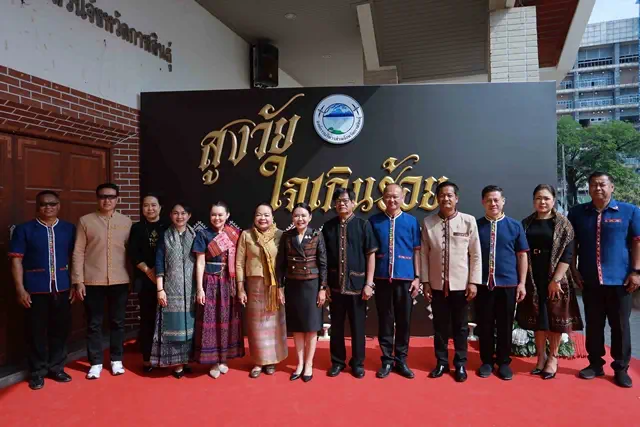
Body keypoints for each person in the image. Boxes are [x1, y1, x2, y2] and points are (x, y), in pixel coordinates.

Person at [568, 172, 640, 388]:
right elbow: (572, 244)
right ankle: (595, 364)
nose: (598, 188)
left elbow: (637, 241)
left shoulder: (629, 211)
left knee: (620, 326)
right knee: (594, 324)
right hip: (590, 280)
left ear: (612, 187)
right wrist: (573, 269)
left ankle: (621, 368)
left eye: (602, 185)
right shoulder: (578, 213)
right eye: (593, 185)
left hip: (621, 281)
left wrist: (636, 271)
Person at [9, 190, 76, 390]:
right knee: (35, 332)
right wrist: (20, 289)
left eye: (52, 203)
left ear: (59, 206)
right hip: (35, 290)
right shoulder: (24, 230)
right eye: (43, 204)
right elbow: (16, 260)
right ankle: (37, 372)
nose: (48, 207)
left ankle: (57, 368)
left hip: (62, 288)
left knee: (60, 331)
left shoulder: (68, 229)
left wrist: (75, 283)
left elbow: (76, 257)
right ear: (37, 207)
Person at [517, 184, 583, 380]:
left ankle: (553, 358)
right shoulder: (526, 223)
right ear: (533, 201)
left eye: (546, 198)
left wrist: (556, 279)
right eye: (538, 198)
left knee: (555, 319)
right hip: (533, 276)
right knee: (538, 319)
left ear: (553, 200)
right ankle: (541, 357)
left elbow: (568, 254)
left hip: (556, 277)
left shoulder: (563, 224)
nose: (542, 202)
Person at [420, 182, 481, 382]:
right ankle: (441, 362)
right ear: (437, 198)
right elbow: (424, 254)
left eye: (449, 195)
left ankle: (460, 364)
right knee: (440, 326)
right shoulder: (428, 222)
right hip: (437, 285)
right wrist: (425, 281)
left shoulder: (468, 221)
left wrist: (473, 282)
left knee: (461, 327)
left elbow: (475, 254)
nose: (446, 198)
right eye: (442, 195)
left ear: (456, 198)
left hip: (461, 285)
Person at [72, 183, 132, 380]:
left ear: (117, 199)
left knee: (118, 322)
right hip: (92, 280)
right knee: (94, 323)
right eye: (103, 196)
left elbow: (131, 253)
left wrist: (133, 279)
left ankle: (117, 360)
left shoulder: (126, 222)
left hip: (120, 279)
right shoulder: (85, 221)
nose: (107, 200)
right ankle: (95, 362)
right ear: (97, 198)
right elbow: (78, 251)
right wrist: (78, 280)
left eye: (111, 197)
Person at [322, 188, 378, 379]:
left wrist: (369, 283)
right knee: (336, 326)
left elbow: (371, 255)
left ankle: (358, 363)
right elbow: (323, 259)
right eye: (338, 201)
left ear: (353, 203)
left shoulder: (363, 225)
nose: (341, 204)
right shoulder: (328, 226)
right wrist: (325, 285)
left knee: (358, 327)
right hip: (335, 285)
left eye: (345, 201)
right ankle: (337, 362)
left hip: (358, 285)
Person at [476, 185, 528, 381]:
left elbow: (522, 256)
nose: (493, 203)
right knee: (485, 324)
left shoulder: (514, 226)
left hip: (508, 284)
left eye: (496, 200)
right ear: (483, 202)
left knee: (505, 324)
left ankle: (504, 362)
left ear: (503, 201)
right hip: (483, 284)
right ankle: (486, 361)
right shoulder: (476, 225)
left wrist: (522, 283)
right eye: (489, 200)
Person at [369, 184, 421, 379]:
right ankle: (386, 360)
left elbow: (416, 251)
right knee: (385, 320)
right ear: (383, 198)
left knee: (404, 321)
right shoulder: (374, 221)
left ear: (403, 198)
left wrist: (417, 277)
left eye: (395, 196)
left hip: (405, 278)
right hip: (382, 278)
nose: (391, 200)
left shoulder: (411, 221)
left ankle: (401, 360)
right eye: (388, 196)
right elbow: (370, 252)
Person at [277, 203, 328, 383]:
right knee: (298, 327)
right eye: (297, 215)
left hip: (312, 285)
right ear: (292, 218)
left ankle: (309, 364)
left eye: (303, 215)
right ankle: (299, 363)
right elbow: (280, 264)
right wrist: (280, 287)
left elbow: (323, 264)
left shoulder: (316, 235)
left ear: (310, 217)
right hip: (293, 285)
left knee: (312, 327)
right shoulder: (287, 236)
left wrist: (323, 288)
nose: (300, 219)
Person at [192, 202, 245, 378]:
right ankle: (213, 361)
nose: (217, 218)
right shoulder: (203, 234)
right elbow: (200, 262)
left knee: (226, 320)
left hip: (228, 283)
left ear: (227, 215)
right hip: (210, 282)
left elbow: (239, 261)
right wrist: (199, 288)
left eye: (220, 215)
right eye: (214, 214)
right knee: (211, 321)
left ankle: (223, 358)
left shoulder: (234, 234)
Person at [236, 203, 287, 378]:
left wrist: (281, 287)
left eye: (266, 215)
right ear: (254, 217)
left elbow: (284, 263)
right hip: (254, 285)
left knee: (273, 325)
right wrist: (240, 288)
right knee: (256, 325)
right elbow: (239, 263)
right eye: (259, 215)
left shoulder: (280, 235)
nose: (263, 218)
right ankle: (258, 361)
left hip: (274, 286)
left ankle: (271, 360)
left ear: (272, 217)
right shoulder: (246, 235)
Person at [151, 203, 196, 378]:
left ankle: (186, 360)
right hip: (170, 289)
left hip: (191, 291)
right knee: (174, 327)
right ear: (170, 215)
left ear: (189, 215)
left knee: (190, 327)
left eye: (183, 213)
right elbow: (159, 263)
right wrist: (160, 289)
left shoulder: (195, 235)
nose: (180, 217)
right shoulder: (165, 236)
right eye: (176, 213)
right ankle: (176, 364)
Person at [128, 194, 168, 373]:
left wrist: (160, 275)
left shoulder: (168, 226)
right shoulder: (137, 228)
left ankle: (166, 357)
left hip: (167, 280)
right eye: (146, 205)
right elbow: (133, 252)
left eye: (153, 205)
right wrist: (148, 271)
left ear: (160, 207)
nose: (150, 209)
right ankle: (147, 358)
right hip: (145, 279)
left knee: (166, 320)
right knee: (147, 319)